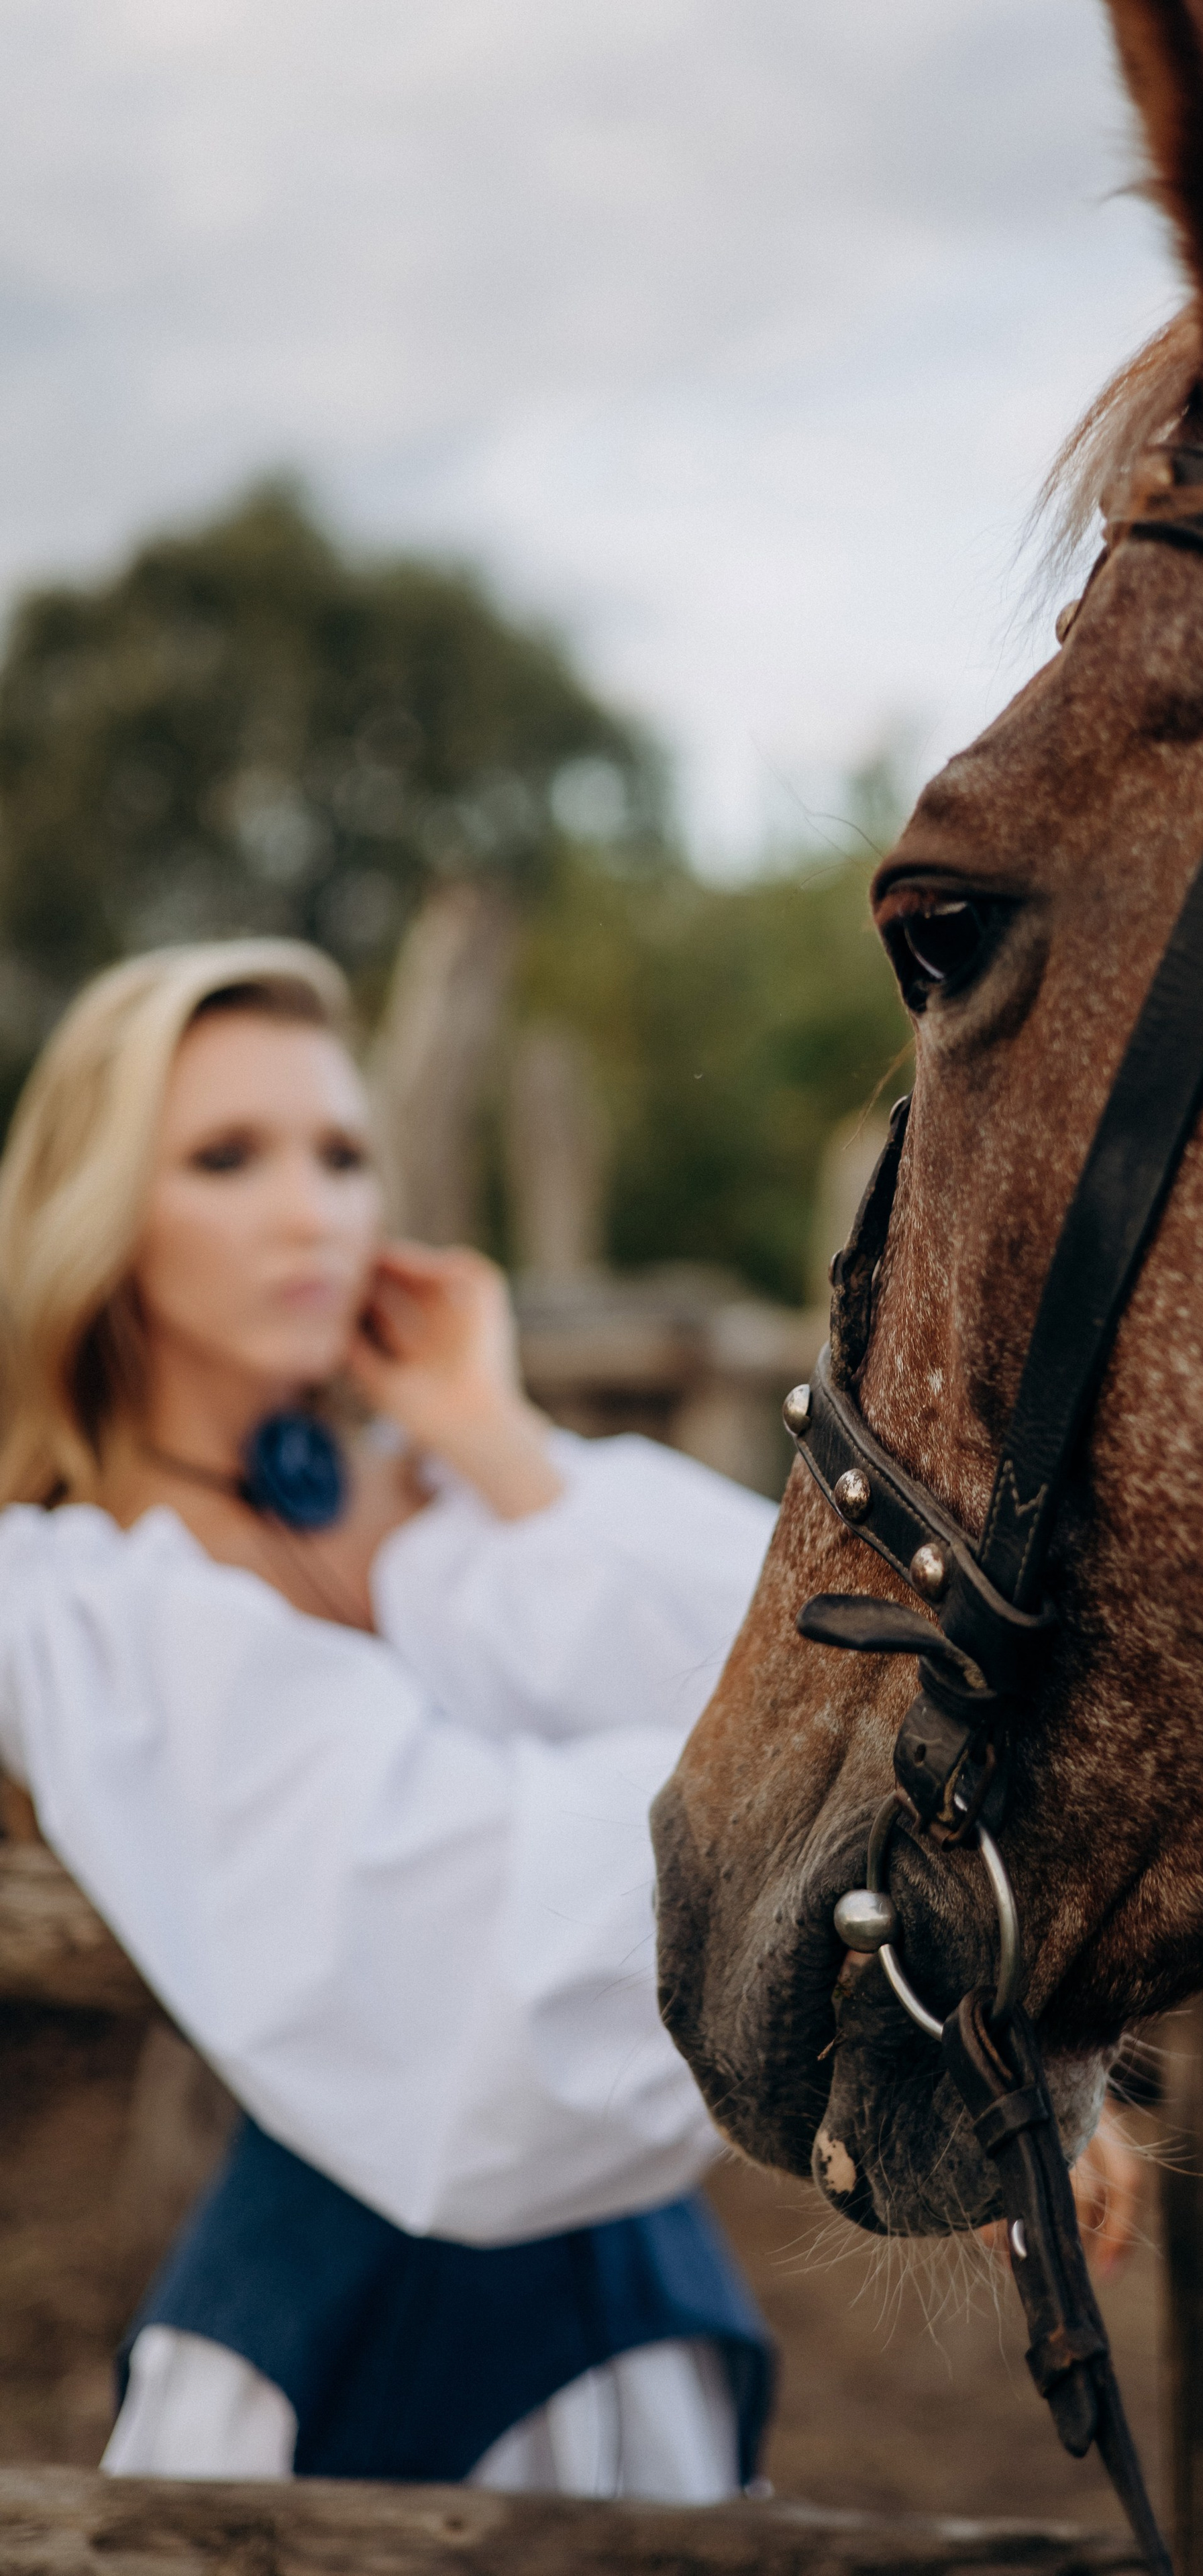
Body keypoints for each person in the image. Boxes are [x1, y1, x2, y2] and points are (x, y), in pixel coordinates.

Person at [0, 938, 776, 2493]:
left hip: (644, 2321)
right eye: (226, 1157)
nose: (313, 1211)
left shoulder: (446, 1513)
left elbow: (814, 1691)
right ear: (102, 1213)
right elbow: (438, 1938)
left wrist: (495, 1440)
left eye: (344, 1155)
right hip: (342, 2359)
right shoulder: (74, 1595)